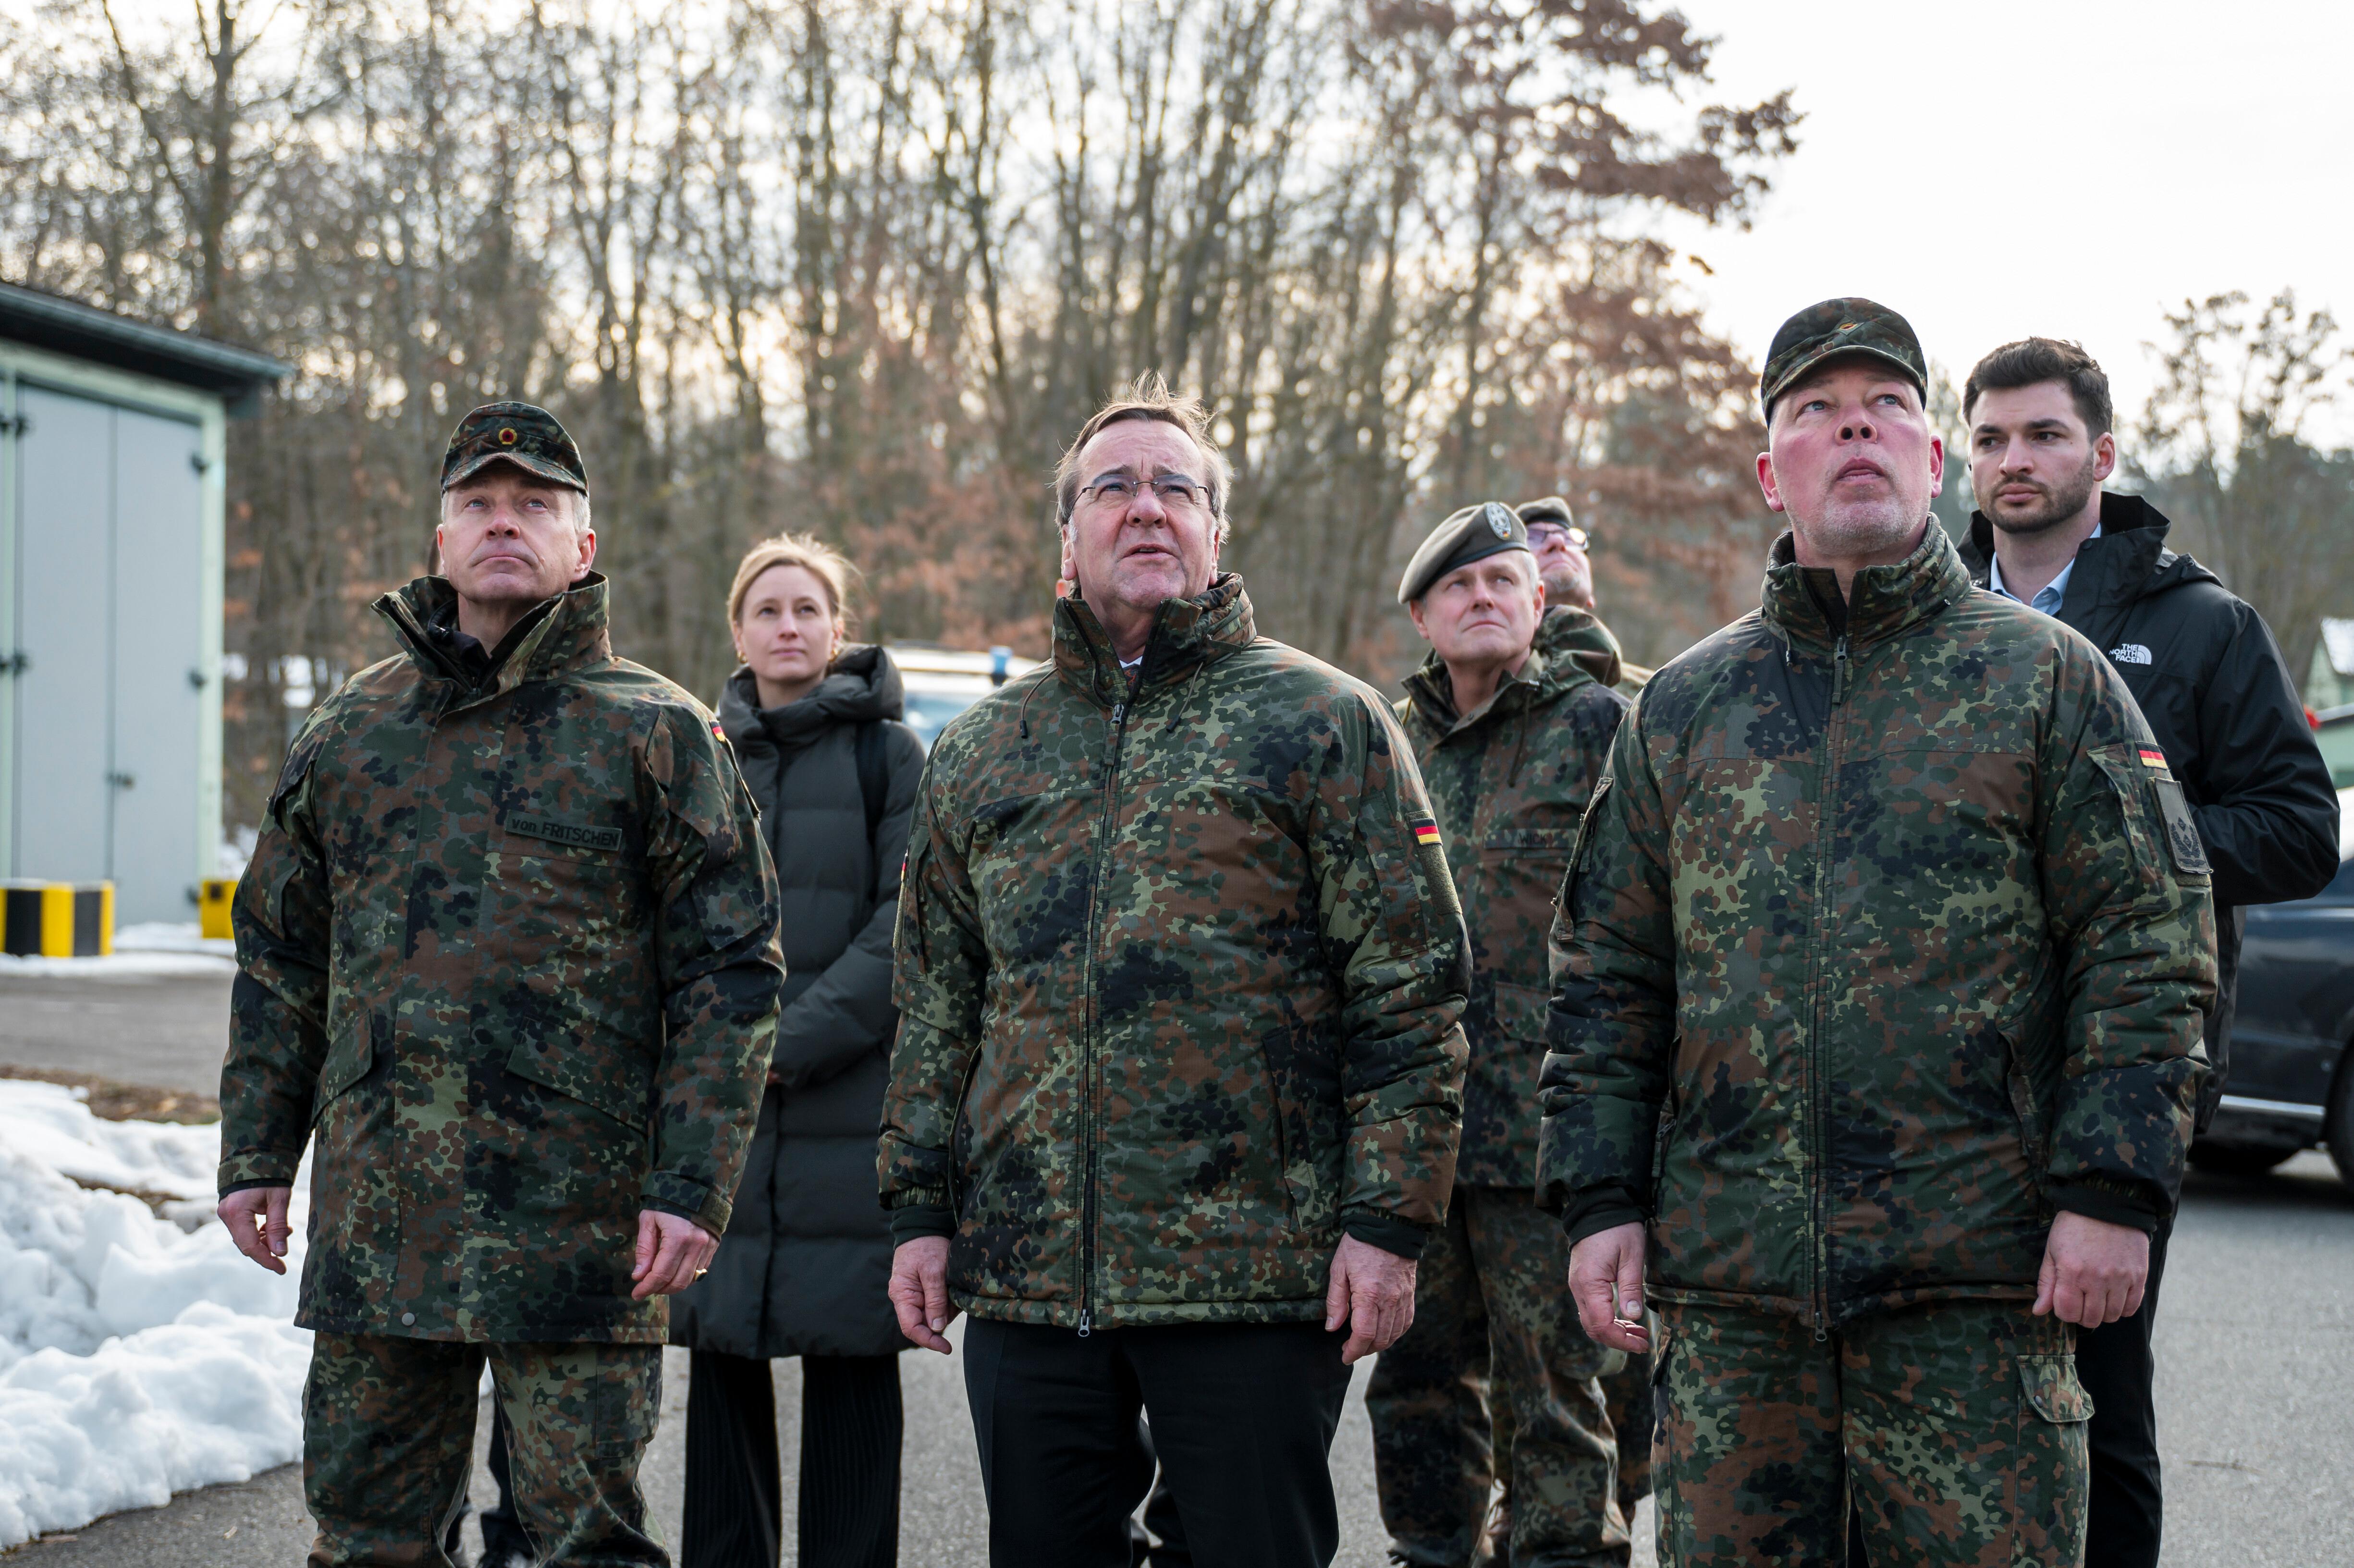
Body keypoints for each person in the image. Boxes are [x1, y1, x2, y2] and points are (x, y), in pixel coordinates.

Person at [1538, 299, 2219, 1568]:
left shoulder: (2048, 680)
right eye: (1813, 409)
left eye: (1887, 405)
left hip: (1974, 1297)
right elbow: (1606, 972)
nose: (1852, 423)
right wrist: (1596, 1197)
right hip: (1732, 1302)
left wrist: (2110, 1190)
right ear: (1768, 473)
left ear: (1928, 460)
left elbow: (2147, 945)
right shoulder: (1684, 708)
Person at [877, 374, 1471, 1568]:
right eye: (1113, 487)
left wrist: (1389, 1225)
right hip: (1035, 1278)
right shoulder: (989, 748)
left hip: (1255, 1278)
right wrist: (917, 1214)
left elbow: (1413, 995)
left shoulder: (1324, 722)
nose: (1145, 508)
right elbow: (939, 1000)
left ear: (1214, 530)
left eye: (1176, 488)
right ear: (1069, 532)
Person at [217, 402, 783, 1565]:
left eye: (537, 504)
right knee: (369, 1537)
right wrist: (257, 1152)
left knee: (590, 1547)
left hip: (584, 1232)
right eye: (479, 503)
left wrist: (694, 1184)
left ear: (584, 548)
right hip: (386, 1229)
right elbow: (281, 951)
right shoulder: (353, 728)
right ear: (441, 542)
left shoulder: (660, 734)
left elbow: (732, 975)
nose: (504, 524)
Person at [1955, 338, 2340, 1568]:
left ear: (2102, 456)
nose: (2018, 461)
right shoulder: (1925, 621)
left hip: (2116, 1079)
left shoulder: (2202, 628)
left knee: (2094, 1401)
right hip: (1934, 1086)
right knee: (1943, 1408)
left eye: (2046, 435)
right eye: (1994, 439)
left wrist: (2110, 844)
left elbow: (2296, 831)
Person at [1370, 503, 1632, 1566]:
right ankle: (1429, 1552)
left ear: (1537, 604)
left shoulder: (1603, 728)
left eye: (1502, 583)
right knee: (1415, 1383)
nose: (1481, 600)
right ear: (1424, 619)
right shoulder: (1380, 740)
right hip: (1414, 1135)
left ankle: (1564, 1554)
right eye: (1456, 588)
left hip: (1547, 1135)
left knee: (1556, 1390)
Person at [666, 535, 927, 1568]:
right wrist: (719, 1052)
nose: (787, 626)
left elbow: (905, 923)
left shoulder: (889, 756)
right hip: (722, 1109)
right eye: (767, 609)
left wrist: (784, 1043)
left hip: (850, 1106)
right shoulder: (695, 755)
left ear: (836, 629)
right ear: (736, 631)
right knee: (723, 1350)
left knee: (853, 1358)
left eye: (807, 608)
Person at [1516, 494, 1655, 1525]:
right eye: (1526, 543)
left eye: (1566, 539)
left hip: (1609, 1093)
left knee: (1613, 1380)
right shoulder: (1434, 715)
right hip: (1484, 1104)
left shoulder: (1658, 709)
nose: (1553, 544)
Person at [1518, 496, 1652, 697]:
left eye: (1570, 537)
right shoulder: (1481, 687)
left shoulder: (1657, 693)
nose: (1558, 542)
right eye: (1533, 538)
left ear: (1591, 596)